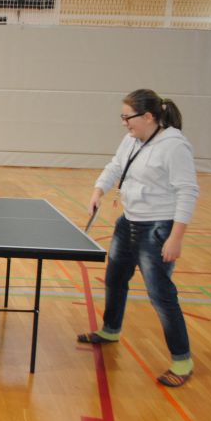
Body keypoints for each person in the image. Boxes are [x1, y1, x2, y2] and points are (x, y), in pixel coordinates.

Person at [77, 89, 199, 388]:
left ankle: (182, 360)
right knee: (115, 278)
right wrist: (98, 191)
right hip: (128, 222)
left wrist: (175, 238)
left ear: (148, 117)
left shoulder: (174, 146)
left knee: (161, 295)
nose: (124, 123)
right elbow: (116, 166)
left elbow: (187, 191)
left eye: (127, 117)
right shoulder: (132, 139)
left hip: (158, 228)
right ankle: (111, 329)